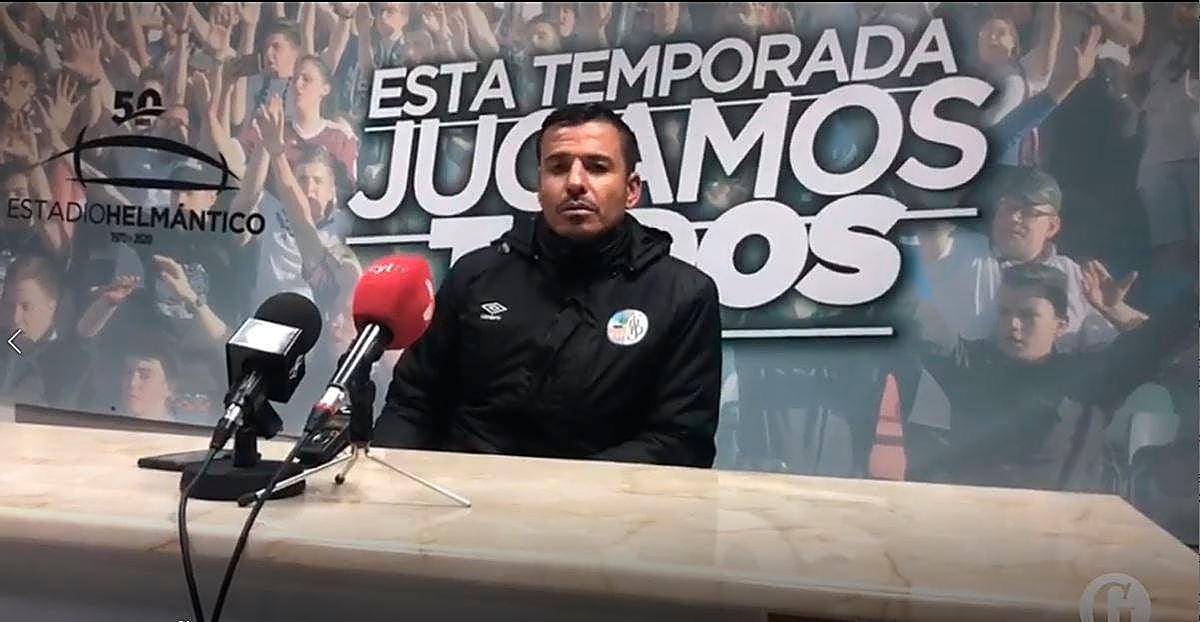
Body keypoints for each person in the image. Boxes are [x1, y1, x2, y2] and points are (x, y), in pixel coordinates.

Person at [374, 103, 723, 468]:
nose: (575, 183)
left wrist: (554, 491)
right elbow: (412, 403)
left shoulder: (683, 294)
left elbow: (680, 441)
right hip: (453, 490)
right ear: (540, 187)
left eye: (597, 167)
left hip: (599, 499)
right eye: (558, 167)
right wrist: (384, 480)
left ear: (631, 189)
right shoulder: (475, 275)